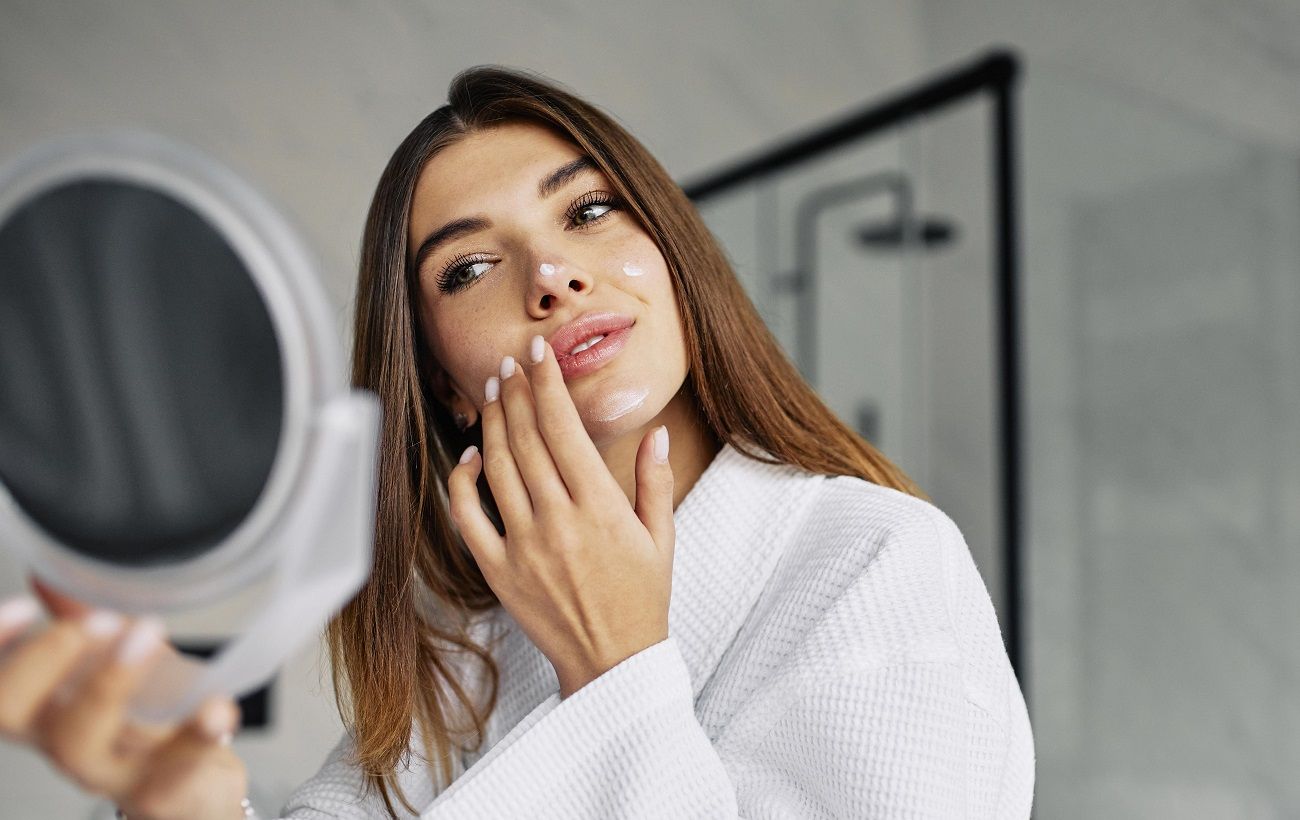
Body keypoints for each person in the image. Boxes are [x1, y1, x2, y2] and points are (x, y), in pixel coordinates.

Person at [0, 65, 1034, 818]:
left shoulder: (877, 561)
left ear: (673, 258)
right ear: (444, 384)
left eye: (589, 210)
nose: (552, 275)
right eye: (468, 269)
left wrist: (616, 666)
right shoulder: (466, 658)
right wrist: (178, 799)